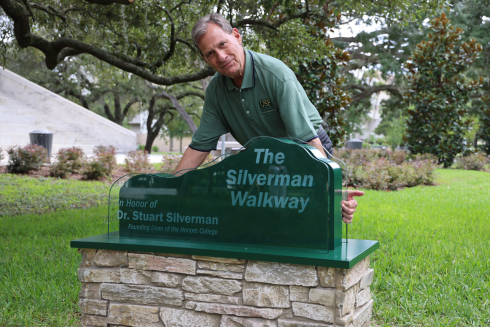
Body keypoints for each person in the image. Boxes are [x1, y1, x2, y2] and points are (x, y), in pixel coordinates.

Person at [173, 13, 363, 224]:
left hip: (307, 147)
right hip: (263, 156)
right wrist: (171, 190)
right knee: (264, 223)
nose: (221, 56)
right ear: (205, 59)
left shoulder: (276, 75)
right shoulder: (216, 91)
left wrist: (332, 194)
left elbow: (306, 140)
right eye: (211, 53)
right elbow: (200, 147)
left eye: (223, 44)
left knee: (311, 219)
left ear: (237, 36)